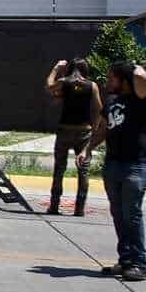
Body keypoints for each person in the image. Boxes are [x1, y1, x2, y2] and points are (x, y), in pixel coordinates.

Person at [81, 60, 146, 282]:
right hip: (113, 164)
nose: (107, 81)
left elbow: (141, 77)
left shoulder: (141, 98)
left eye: (112, 77)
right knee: (119, 214)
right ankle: (125, 260)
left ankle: (138, 264)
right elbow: (103, 129)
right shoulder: (111, 101)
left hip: (136, 163)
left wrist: (130, 67)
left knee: (132, 213)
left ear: (124, 80)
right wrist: (87, 149)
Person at [45, 58, 101, 217]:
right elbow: (99, 108)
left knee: (59, 169)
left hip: (65, 130)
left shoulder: (64, 82)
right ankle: (79, 208)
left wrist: (56, 69)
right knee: (83, 171)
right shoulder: (92, 86)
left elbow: (49, 86)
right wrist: (94, 129)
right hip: (84, 131)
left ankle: (54, 205)